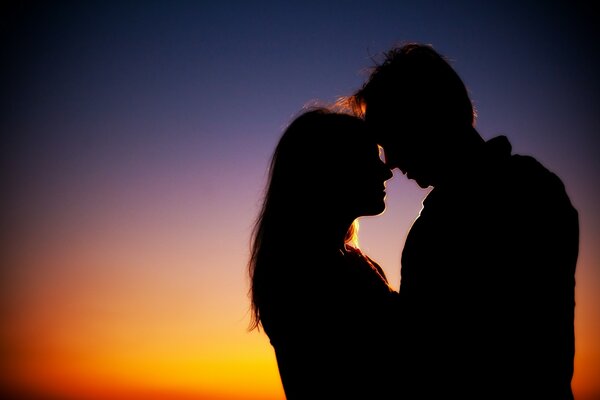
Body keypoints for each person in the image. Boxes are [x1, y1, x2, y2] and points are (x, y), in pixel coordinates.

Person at [349, 43, 579, 399]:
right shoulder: (519, 189)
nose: (391, 161)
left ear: (427, 117)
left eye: (391, 138)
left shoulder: (519, 195)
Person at [248, 107, 400, 399]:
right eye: (370, 160)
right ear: (331, 170)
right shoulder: (301, 275)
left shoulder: (353, 262)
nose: (386, 171)